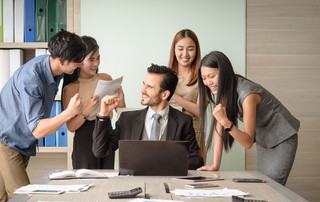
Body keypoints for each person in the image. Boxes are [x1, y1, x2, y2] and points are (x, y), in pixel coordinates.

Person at [0, 30, 87, 202]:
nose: (79, 65)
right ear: (61, 61)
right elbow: (38, 130)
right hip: (6, 137)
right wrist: (69, 113)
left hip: (22, 137)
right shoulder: (31, 78)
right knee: (24, 200)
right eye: (77, 62)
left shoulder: (56, 68)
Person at [197, 51, 300, 185]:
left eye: (212, 76)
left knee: (274, 186)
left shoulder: (247, 95)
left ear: (224, 72)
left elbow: (247, 142)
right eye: (204, 78)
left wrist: (225, 121)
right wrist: (215, 165)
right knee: (264, 184)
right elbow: (219, 127)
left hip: (283, 136)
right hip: (265, 137)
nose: (208, 82)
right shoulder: (224, 90)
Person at [92, 64, 204, 170]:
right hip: (134, 184)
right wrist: (103, 115)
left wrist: (167, 165)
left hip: (167, 184)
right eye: (143, 84)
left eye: (149, 87)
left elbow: (196, 160)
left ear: (164, 94)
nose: (142, 90)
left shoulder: (183, 121)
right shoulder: (127, 119)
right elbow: (100, 151)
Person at [62, 35, 126, 169]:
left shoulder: (105, 78)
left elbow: (120, 113)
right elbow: (71, 127)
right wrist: (88, 109)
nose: (96, 64)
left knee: (108, 181)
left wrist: (121, 99)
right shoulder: (71, 88)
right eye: (91, 59)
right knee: (87, 182)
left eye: (98, 58)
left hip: (106, 133)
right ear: (79, 61)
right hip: (85, 139)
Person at [168, 29, 207, 162]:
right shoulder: (166, 75)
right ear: (174, 50)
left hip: (193, 132)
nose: (185, 54)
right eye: (180, 49)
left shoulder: (202, 76)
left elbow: (199, 111)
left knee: (194, 175)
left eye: (190, 49)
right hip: (168, 131)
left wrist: (172, 94)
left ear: (196, 51)